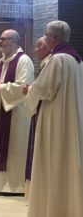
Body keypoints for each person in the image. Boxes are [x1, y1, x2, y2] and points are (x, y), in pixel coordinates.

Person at [24, 20, 83, 217]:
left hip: (55, 119)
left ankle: (52, 209)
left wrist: (29, 91)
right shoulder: (77, 60)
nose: (45, 37)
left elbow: (43, 89)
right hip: (72, 117)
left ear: (54, 38)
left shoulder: (56, 59)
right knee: (67, 161)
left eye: (46, 34)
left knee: (52, 161)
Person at [0, 29, 34, 195]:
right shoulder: (2, 61)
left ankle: (16, 186)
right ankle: (0, 184)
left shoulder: (24, 61)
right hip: (3, 112)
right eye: (0, 39)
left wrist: (0, 87)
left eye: (3, 39)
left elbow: (23, 86)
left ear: (14, 41)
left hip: (17, 114)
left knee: (16, 149)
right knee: (3, 147)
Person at [24, 37, 50, 196]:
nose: (35, 50)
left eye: (39, 46)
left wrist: (30, 90)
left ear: (48, 47)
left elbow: (44, 90)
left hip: (48, 115)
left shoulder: (51, 63)